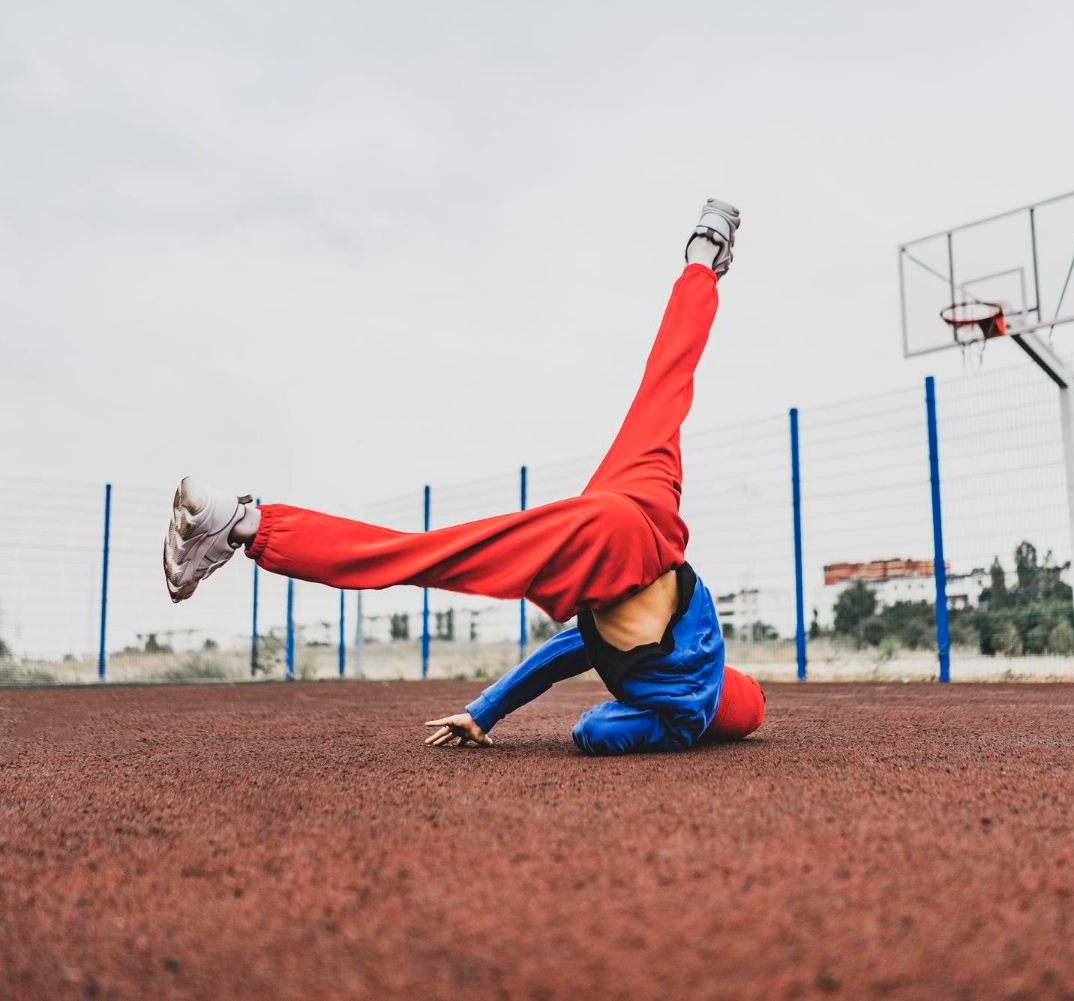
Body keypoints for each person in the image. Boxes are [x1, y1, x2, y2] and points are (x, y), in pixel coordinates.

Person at [163, 198, 764, 756]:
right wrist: (593, 724)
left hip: (644, 514)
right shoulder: (685, 710)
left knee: (667, 380)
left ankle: (705, 253)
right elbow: (598, 728)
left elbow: (565, 652)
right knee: (424, 556)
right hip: (613, 545)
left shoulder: (700, 653)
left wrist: (486, 711)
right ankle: (243, 524)